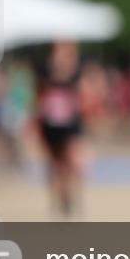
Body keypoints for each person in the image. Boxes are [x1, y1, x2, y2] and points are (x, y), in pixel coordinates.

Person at [35, 40, 89, 217]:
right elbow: (37, 98)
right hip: (50, 125)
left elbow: (86, 95)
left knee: (75, 161)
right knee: (55, 165)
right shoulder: (44, 71)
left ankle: (74, 196)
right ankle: (58, 200)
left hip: (71, 125)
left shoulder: (78, 71)